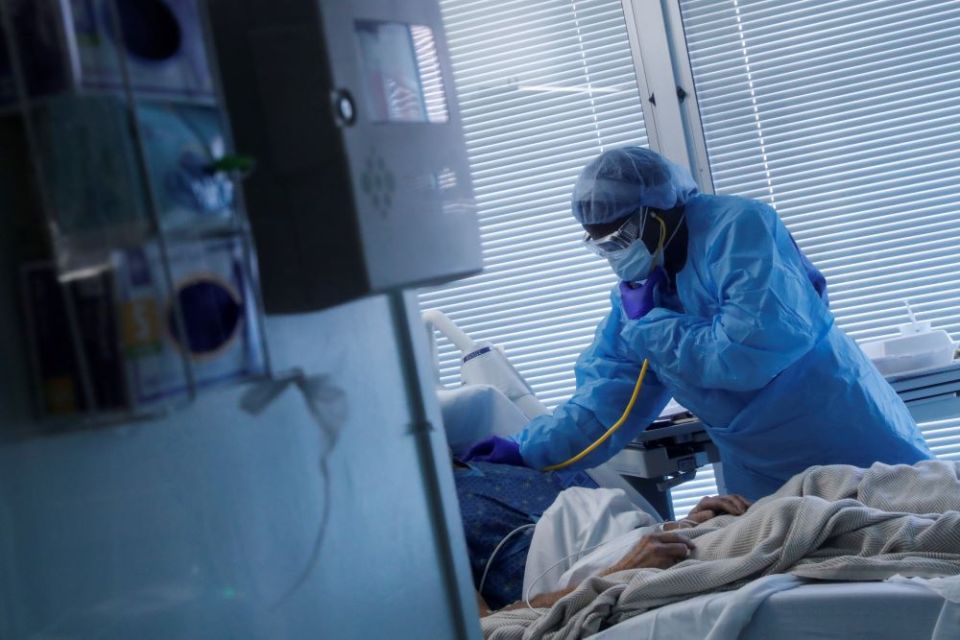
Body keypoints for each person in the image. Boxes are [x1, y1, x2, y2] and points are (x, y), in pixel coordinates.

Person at [467, 147, 931, 499]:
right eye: (602, 245)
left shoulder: (739, 229)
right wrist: (526, 449)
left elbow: (751, 352)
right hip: (764, 473)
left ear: (657, 209)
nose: (615, 253)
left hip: (849, 439)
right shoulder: (638, 298)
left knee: (923, 555)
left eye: (621, 236)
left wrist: (650, 325)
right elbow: (604, 404)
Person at [453, 456, 750, 615]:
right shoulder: (424, 526)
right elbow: (485, 628)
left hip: (663, 546)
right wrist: (616, 574)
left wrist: (684, 524)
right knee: (784, 524)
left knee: (785, 504)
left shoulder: (496, 466)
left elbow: (596, 526)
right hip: (621, 580)